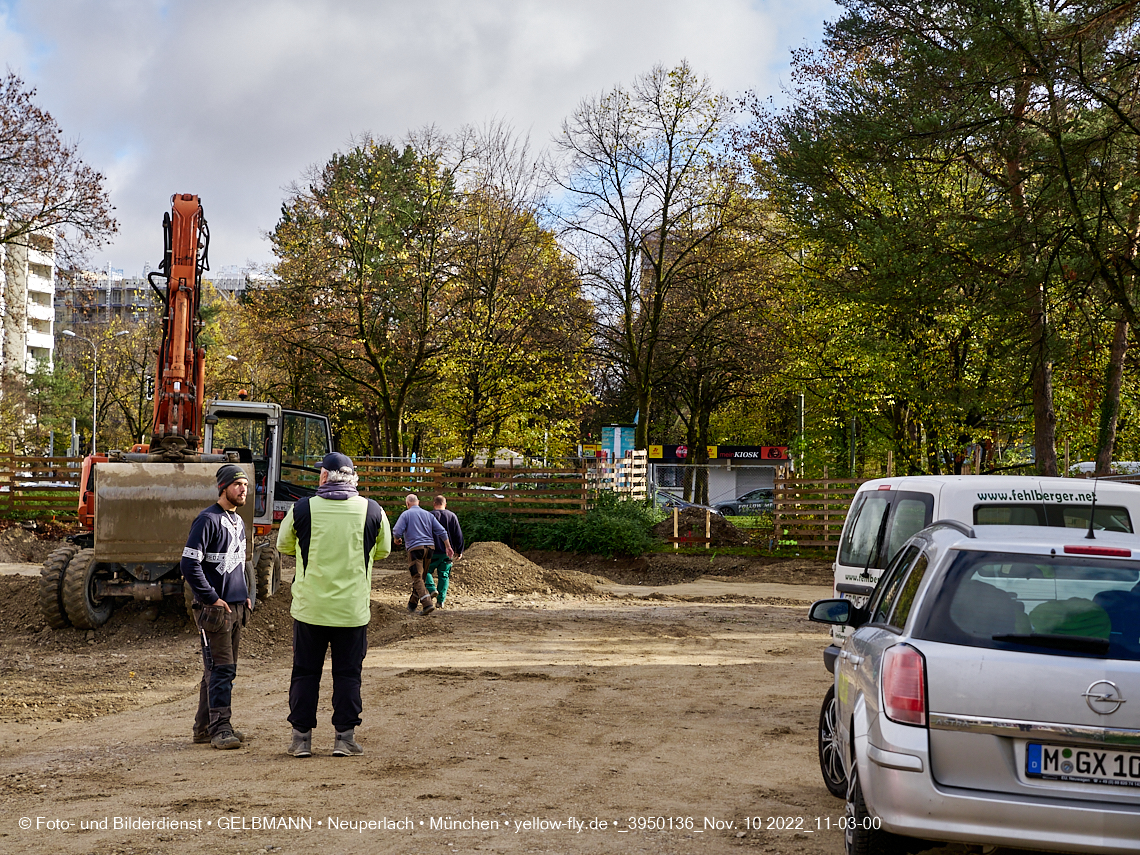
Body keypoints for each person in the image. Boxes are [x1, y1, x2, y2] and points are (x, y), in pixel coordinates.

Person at [277, 452, 391, 758]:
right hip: (352, 612)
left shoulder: (302, 508)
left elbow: (283, 545)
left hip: (310, 609)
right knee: (348, 675)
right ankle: (345, 739)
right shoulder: (373, 510)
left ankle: (301, 740)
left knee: (305, 673)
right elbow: (383, 550)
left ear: (325, 476)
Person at [182, 463, 252, 750]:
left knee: (218, 670)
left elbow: (240, 563)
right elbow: (189, 564)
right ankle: (221, 729)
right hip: (215, 611)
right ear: (223, 488)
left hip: (234, 607)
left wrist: (245, 594)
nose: (243, 490)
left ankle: (204, 728)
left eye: (245, 485)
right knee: (222, 669)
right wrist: (211, 597)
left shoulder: (238, 521)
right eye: (237, 485)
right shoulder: (207, 520)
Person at [391, 493, 454, 615]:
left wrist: (397, 539)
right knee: (422, 577)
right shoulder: (428, 514)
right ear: (418, 502)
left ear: (407, 504)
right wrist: (448, 546)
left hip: (415, 549)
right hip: (430, 549)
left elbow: (397, 530)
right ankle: (412, 604)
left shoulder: (406, 514)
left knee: (417, 577)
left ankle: (427, 604)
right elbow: (442, 531)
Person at [426, 495, 463, 608]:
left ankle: (431, 589)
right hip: (447, 552)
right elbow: (458, 535)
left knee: (425, 571)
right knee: (444, 575)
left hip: (431, 551)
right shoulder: (452, 516)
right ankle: (440, 601)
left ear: (434, 504)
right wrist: (459, 550)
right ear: (445, 504)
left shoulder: (428, 516)